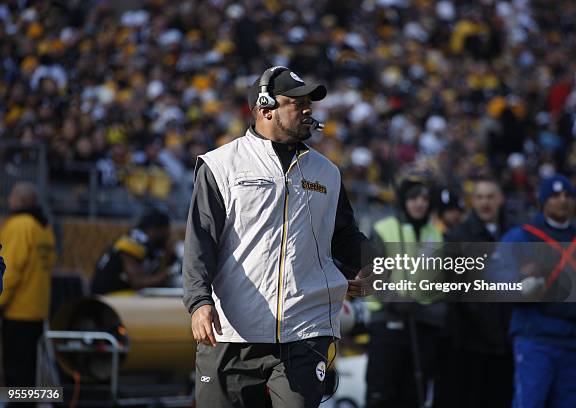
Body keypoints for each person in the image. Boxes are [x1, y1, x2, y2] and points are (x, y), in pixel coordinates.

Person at [182, 66, 373, 408]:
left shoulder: (327, 172)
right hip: (232, 331)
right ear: (265, 107)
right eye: (296, 102)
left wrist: (365, 263)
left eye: (309, 102)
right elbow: (200, 242)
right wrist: (198, 302)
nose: (307, 109)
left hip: (306, 330)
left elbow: (344, 235)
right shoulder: (220, 165)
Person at [501, 175, 576, 408]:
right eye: (555, 196)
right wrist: (520, 285)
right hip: (537, 338)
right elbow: (494, 276)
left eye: (567, 196)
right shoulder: (523, 236)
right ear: (542, 202)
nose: (562, 201)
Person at [365, 176, 446, 408]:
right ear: (403, 201)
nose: (419, 203)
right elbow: (372, 273)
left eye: (424, 198)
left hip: (422, 325)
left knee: (414, 395)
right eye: (413, 197)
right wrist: (392, 298)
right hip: (388, 322)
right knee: (381, 393)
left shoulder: (436, 235)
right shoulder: (383, 229)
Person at [443, 176, 514, 408]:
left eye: (491, 197)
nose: (485, 203)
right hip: (469, 345)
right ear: (473, 201)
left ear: (501, 199)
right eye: (480, 197)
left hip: (507, 343)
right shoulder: (458, 238)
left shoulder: (516, 235)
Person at [0, 182, 56, 387]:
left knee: (16, 375)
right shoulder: (44, 227)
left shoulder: (19, 225)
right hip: (38, 310)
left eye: (12, 196)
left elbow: (9, 270)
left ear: (21, 200)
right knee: (29, 375)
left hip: (18, 311)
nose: (8, 200)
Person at [90, 209, 172, 294]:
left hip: (120, 293)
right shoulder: (132, 243)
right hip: (108, 295)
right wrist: (167, 274)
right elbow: (137, 283)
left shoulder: (149, 245)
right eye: (165, 231)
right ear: (153, 229)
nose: (168, 235)